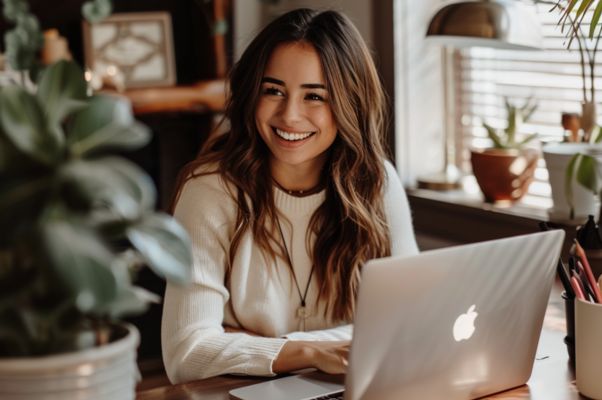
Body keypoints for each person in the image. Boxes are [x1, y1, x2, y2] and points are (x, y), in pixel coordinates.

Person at [161, 8, 419, 384]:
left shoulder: (376, 181)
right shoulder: (208, 191)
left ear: (350, 103)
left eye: (315, 96)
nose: (290, 115)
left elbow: (411, 320)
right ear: (252, 93)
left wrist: (259, 345)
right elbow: (186, 352)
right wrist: (312, 351)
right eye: (274, 91)